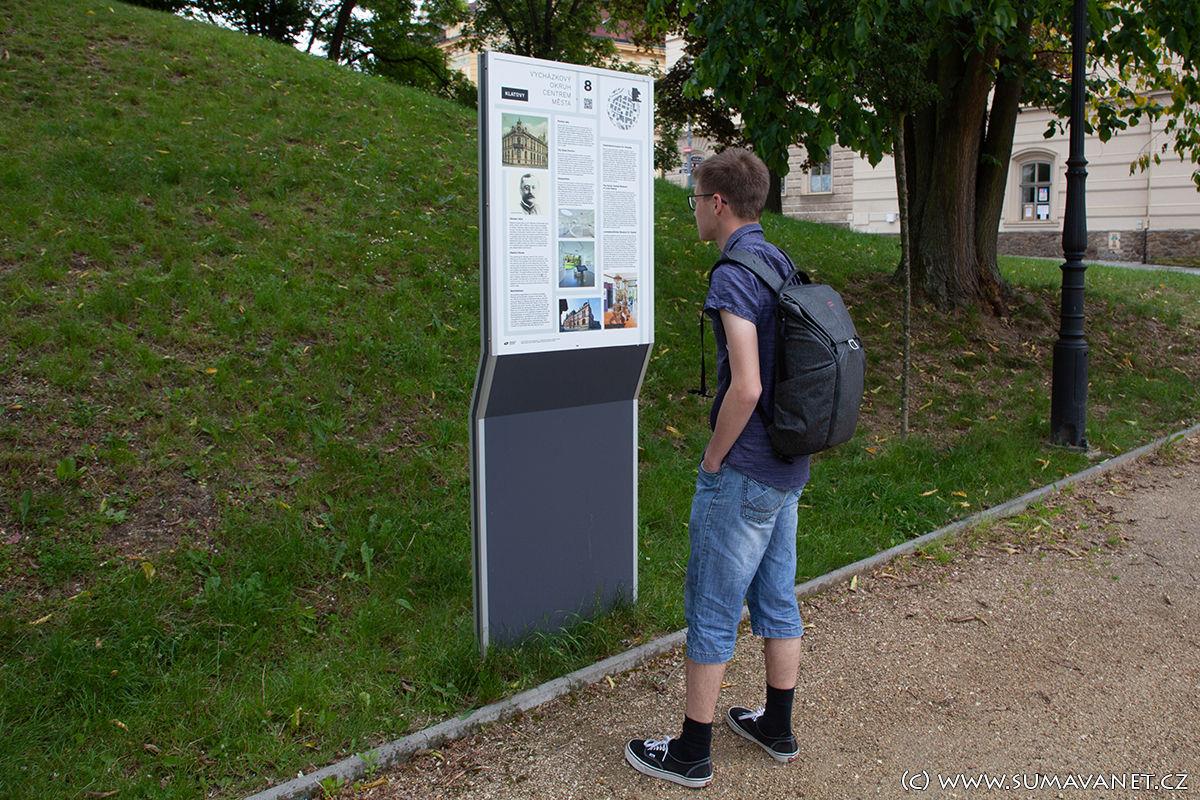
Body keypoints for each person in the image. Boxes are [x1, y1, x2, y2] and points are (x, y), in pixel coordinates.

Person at [625, 148, 811, 788]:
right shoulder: (778, 260)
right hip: (788, 463)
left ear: (719, 203)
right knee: (776, 596)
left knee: (712, 604)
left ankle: (692, 751)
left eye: (696, 199)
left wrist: (713, 457)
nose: (695, 211)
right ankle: (777, 726)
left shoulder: (734, 275)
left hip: (747, 468)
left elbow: (747, 385)